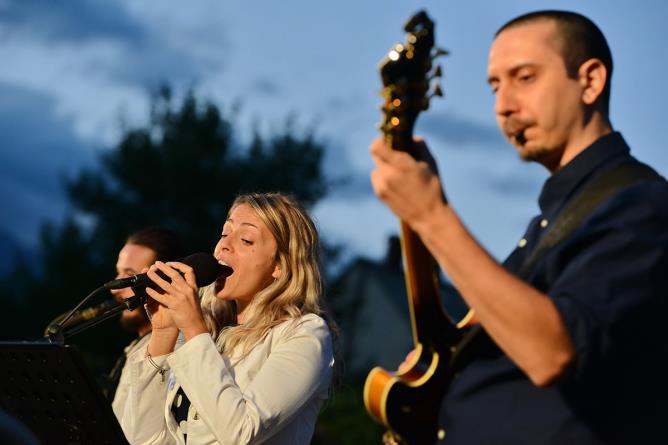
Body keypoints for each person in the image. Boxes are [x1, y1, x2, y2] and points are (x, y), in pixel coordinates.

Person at [370, 10, 667, 445]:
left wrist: (432, 215)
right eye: (495, 85)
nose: (503, 105)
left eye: (524, 78)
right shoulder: (551, 223)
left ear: (590, 81)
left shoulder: (642, 206)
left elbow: (551, 351)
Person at [118, 192, 335, 445]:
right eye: (224, 233)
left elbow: (240, 433)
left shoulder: (305, 334)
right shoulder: (208, 333)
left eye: (246, 240)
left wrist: (193, 328)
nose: (223, 246)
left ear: (280, 266)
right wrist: (164, 333)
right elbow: (143, 440)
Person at [108, 227, 187, 421]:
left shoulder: (178, 348)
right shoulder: (137, 344)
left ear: (164, 279)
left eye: (130, 275)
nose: (115, 289)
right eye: (118, 273)